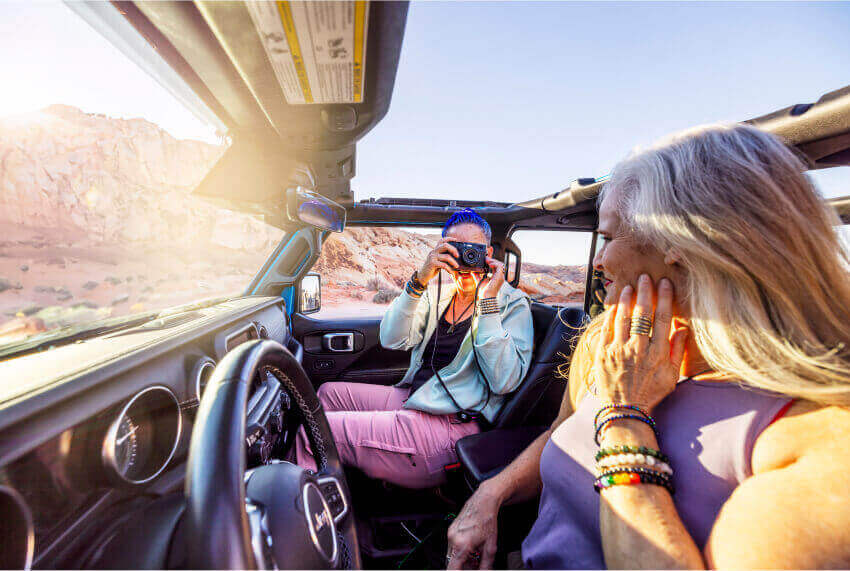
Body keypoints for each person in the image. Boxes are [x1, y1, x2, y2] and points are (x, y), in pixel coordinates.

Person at [447, 123, 850, 569]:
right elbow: (559, 436)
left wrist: (625, 419)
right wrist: (491, 494)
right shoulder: (608, 342)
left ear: (678, 241)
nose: (598, 261)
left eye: (609, 237)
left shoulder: (819, 433)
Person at [295, 208, 534, 489]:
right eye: (457, 251)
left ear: (489, 253)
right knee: (327, 395)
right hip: (418, 397)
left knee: (309, 433)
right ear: (443, 252)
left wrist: (488, 302)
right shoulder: (441, 294)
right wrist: (420, 279)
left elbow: (505, 380)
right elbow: (391, 338)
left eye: (474, 250)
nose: (466, 259)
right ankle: (339, 483)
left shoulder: (511, 303)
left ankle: (305, 515)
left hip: (452, 425)